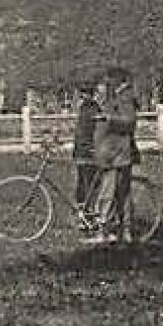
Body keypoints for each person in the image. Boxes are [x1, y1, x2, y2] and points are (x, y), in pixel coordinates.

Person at [88, 66, 140, 244]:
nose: (105, 84)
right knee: (113, 193)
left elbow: (129, 122)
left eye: (107, 81)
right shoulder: (111, 98)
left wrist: (108, 119)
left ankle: (112, 231)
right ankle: (118, 230)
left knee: (113, 193)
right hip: (109, 152)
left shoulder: (125, 98)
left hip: (119, 154)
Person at [72, 83, 100, 233]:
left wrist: (93, 147)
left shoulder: (93, 109)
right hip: (81, 152)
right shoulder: (83, 109)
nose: (83, 97)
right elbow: (79, 133)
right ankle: (83, 218)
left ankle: (91, 218)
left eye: (85, 93)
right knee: (81, 186)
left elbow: (96, 131)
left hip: (89, 153)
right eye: (82, 93)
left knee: (90, 186)